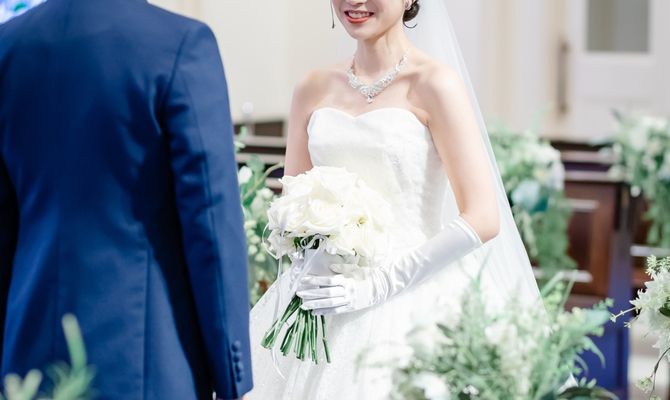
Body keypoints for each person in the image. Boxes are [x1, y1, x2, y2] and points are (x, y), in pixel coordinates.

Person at [248, 0, 542, 398]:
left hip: (414, 291)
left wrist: (379, 284)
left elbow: (483, 216)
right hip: (324, 293)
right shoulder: (312, 87)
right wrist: (308, 263)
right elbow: (292, 202)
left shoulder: (435, 84)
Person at [0, 0, 252, 398]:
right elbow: (210, 222)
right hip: (145, 357)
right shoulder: (180, 43)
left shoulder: (9, 45)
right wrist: (232, 376)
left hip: (26, 352)